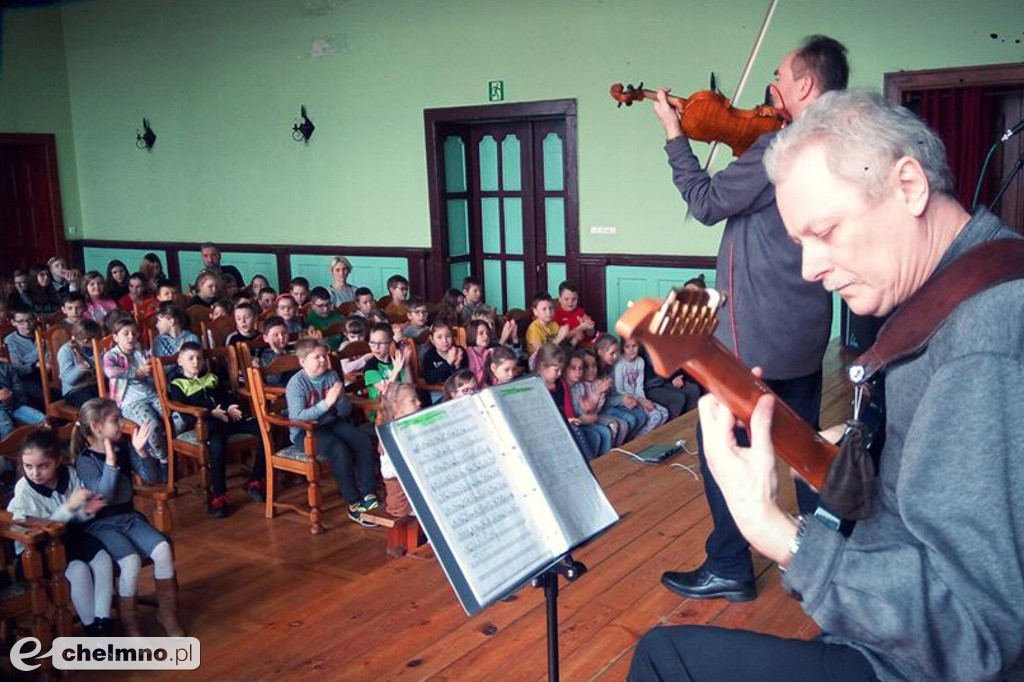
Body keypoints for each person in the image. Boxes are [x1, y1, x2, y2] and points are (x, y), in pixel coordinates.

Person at [629, 89, 1024, 682]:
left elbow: (977, 635)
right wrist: (860, 460)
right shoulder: (969, 273)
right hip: (885, 628)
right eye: (800, 244)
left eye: (826, 231)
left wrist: (779, 534)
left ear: (909, 186)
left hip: (912, 665)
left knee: (663, 657)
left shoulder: (984, 344)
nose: (809, 268)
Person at [654, 34, 850, 603]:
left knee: (722, 441)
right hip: (806, 331)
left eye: (781, 77)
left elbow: (706, 203)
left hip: (755, 336)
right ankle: (827, 563)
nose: (772, 86)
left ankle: (729, 565)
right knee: (805, 447)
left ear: (805, 84)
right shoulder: (840, 142)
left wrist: (674, 135)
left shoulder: (779, 147)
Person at [72, 398, 183, 637]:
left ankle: (167, 613)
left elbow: (151, 476)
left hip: (129, 518)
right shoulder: (85, 460)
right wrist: (110, 463)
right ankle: (130, 624)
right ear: (97, 427)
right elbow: (104, 496)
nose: (122, 423)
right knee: (130, 561)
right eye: (115, 420)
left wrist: (141, 452)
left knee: (163, 549)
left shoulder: (123, 447)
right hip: (101, 525)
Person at [8, 429, 114, 636]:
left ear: (56, 461)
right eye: (28, 466)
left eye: (43, 466)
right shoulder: (24, 489)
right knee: (78, 570)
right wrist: (70, 507)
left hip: (68, 538)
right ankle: (92, 628)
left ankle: (103, 621)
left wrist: (86, 511)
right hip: (37, 549)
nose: (35, 473)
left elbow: (75, 517)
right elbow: (39, 529)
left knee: (102, 559)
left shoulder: (70, 475)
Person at [286, 338, 378, 526]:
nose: (323, 360)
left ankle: (368, 492)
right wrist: (327, 403)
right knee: (339, 449)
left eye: (324, 356)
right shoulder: (296, 383)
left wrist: (341, 399)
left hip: (331, 422)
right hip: (306, 432)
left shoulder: (331, 375)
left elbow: (344, 412)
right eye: (317, 357)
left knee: (361, 440)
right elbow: (297, 417)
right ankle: (353, 502)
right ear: (303, 361)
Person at [168, 342, 264, 517]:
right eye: (191, 358)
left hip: (228, 419)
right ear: (180, 361)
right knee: (217, 445)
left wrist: (230, 407)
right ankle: (219, 496)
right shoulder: (177, 385)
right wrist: (212, 413)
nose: (196, 362)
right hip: (208, 425)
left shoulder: (211, 377)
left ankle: (255, 480)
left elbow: (225, 396)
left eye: (199, 358)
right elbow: (187, 416)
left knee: (264, 429)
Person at [102, 315, 167, 470]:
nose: (131, 337)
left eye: (134, 333)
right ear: (115, 337)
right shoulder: (111, 355)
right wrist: (137, 372)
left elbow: (153, 369)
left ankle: (162, 446)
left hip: (151, 394)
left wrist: (152, 367)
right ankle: (163, 458)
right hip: (130, 401)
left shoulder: (140, 352)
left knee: (174, 417)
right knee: (152, 425)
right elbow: (110, 371)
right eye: (126, 333)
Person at [614, 337, 670, 436]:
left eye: (634, 346)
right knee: (656, 416)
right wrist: (641, 401)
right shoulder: (619, 364)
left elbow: (639, 386)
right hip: (627, 400)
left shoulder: (640, 361)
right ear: (622, 348)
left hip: (639, 397)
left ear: (639, 346)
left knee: (664, 413)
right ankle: (639, 439)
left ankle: (653, 436)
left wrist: (645, 401)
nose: (631, 350)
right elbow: (620, 390)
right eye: (627, 347)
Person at [57, 319, 102, 407]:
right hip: (75, 391)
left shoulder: (91, 349)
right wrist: (80, 368)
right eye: (98, 340)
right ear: (86, 341)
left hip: (93, 386)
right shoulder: (66, 351)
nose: (99, 342)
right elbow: (68, 379)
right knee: (96, 406)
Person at [553, 280, 596, 347]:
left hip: (588, 344)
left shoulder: (580, 311)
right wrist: (580, 328)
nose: (570, 302)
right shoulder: (556, 314)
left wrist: (589, 327)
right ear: (560, 299)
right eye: (566, 299)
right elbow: (561, 339)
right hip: (571, 347)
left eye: (574, 299)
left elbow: (591, 334)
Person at [464, 319, 494, 386]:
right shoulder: (466, 354)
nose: (486, 336)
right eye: (481, 333)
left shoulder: (490, 352)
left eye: (487, 333)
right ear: (472, 334)